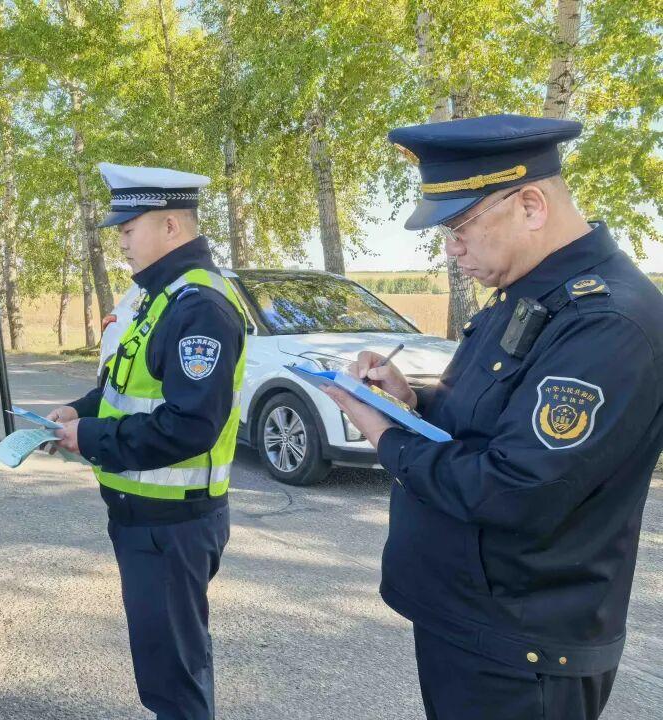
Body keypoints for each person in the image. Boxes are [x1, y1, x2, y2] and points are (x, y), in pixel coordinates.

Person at [326, 115, 663, 720]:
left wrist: (384, 434)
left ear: (530, 205)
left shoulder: (605, 322)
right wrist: (409, 401)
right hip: (476, 622)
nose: (450, 249)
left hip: (519, 649)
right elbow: (490, 419)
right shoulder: (531, 293)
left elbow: (516, 488)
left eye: (459, 227)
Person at [50, 163, 246, 720]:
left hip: (172, 524)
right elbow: (126, 387)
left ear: (170, 226)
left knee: (175, 680)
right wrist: (80, 411)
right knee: (166, 665)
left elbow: (190, 426)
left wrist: (90, 436)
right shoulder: (159, 297)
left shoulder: (198, 306)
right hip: (148, 518)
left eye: (129, 229)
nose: (121, 242)